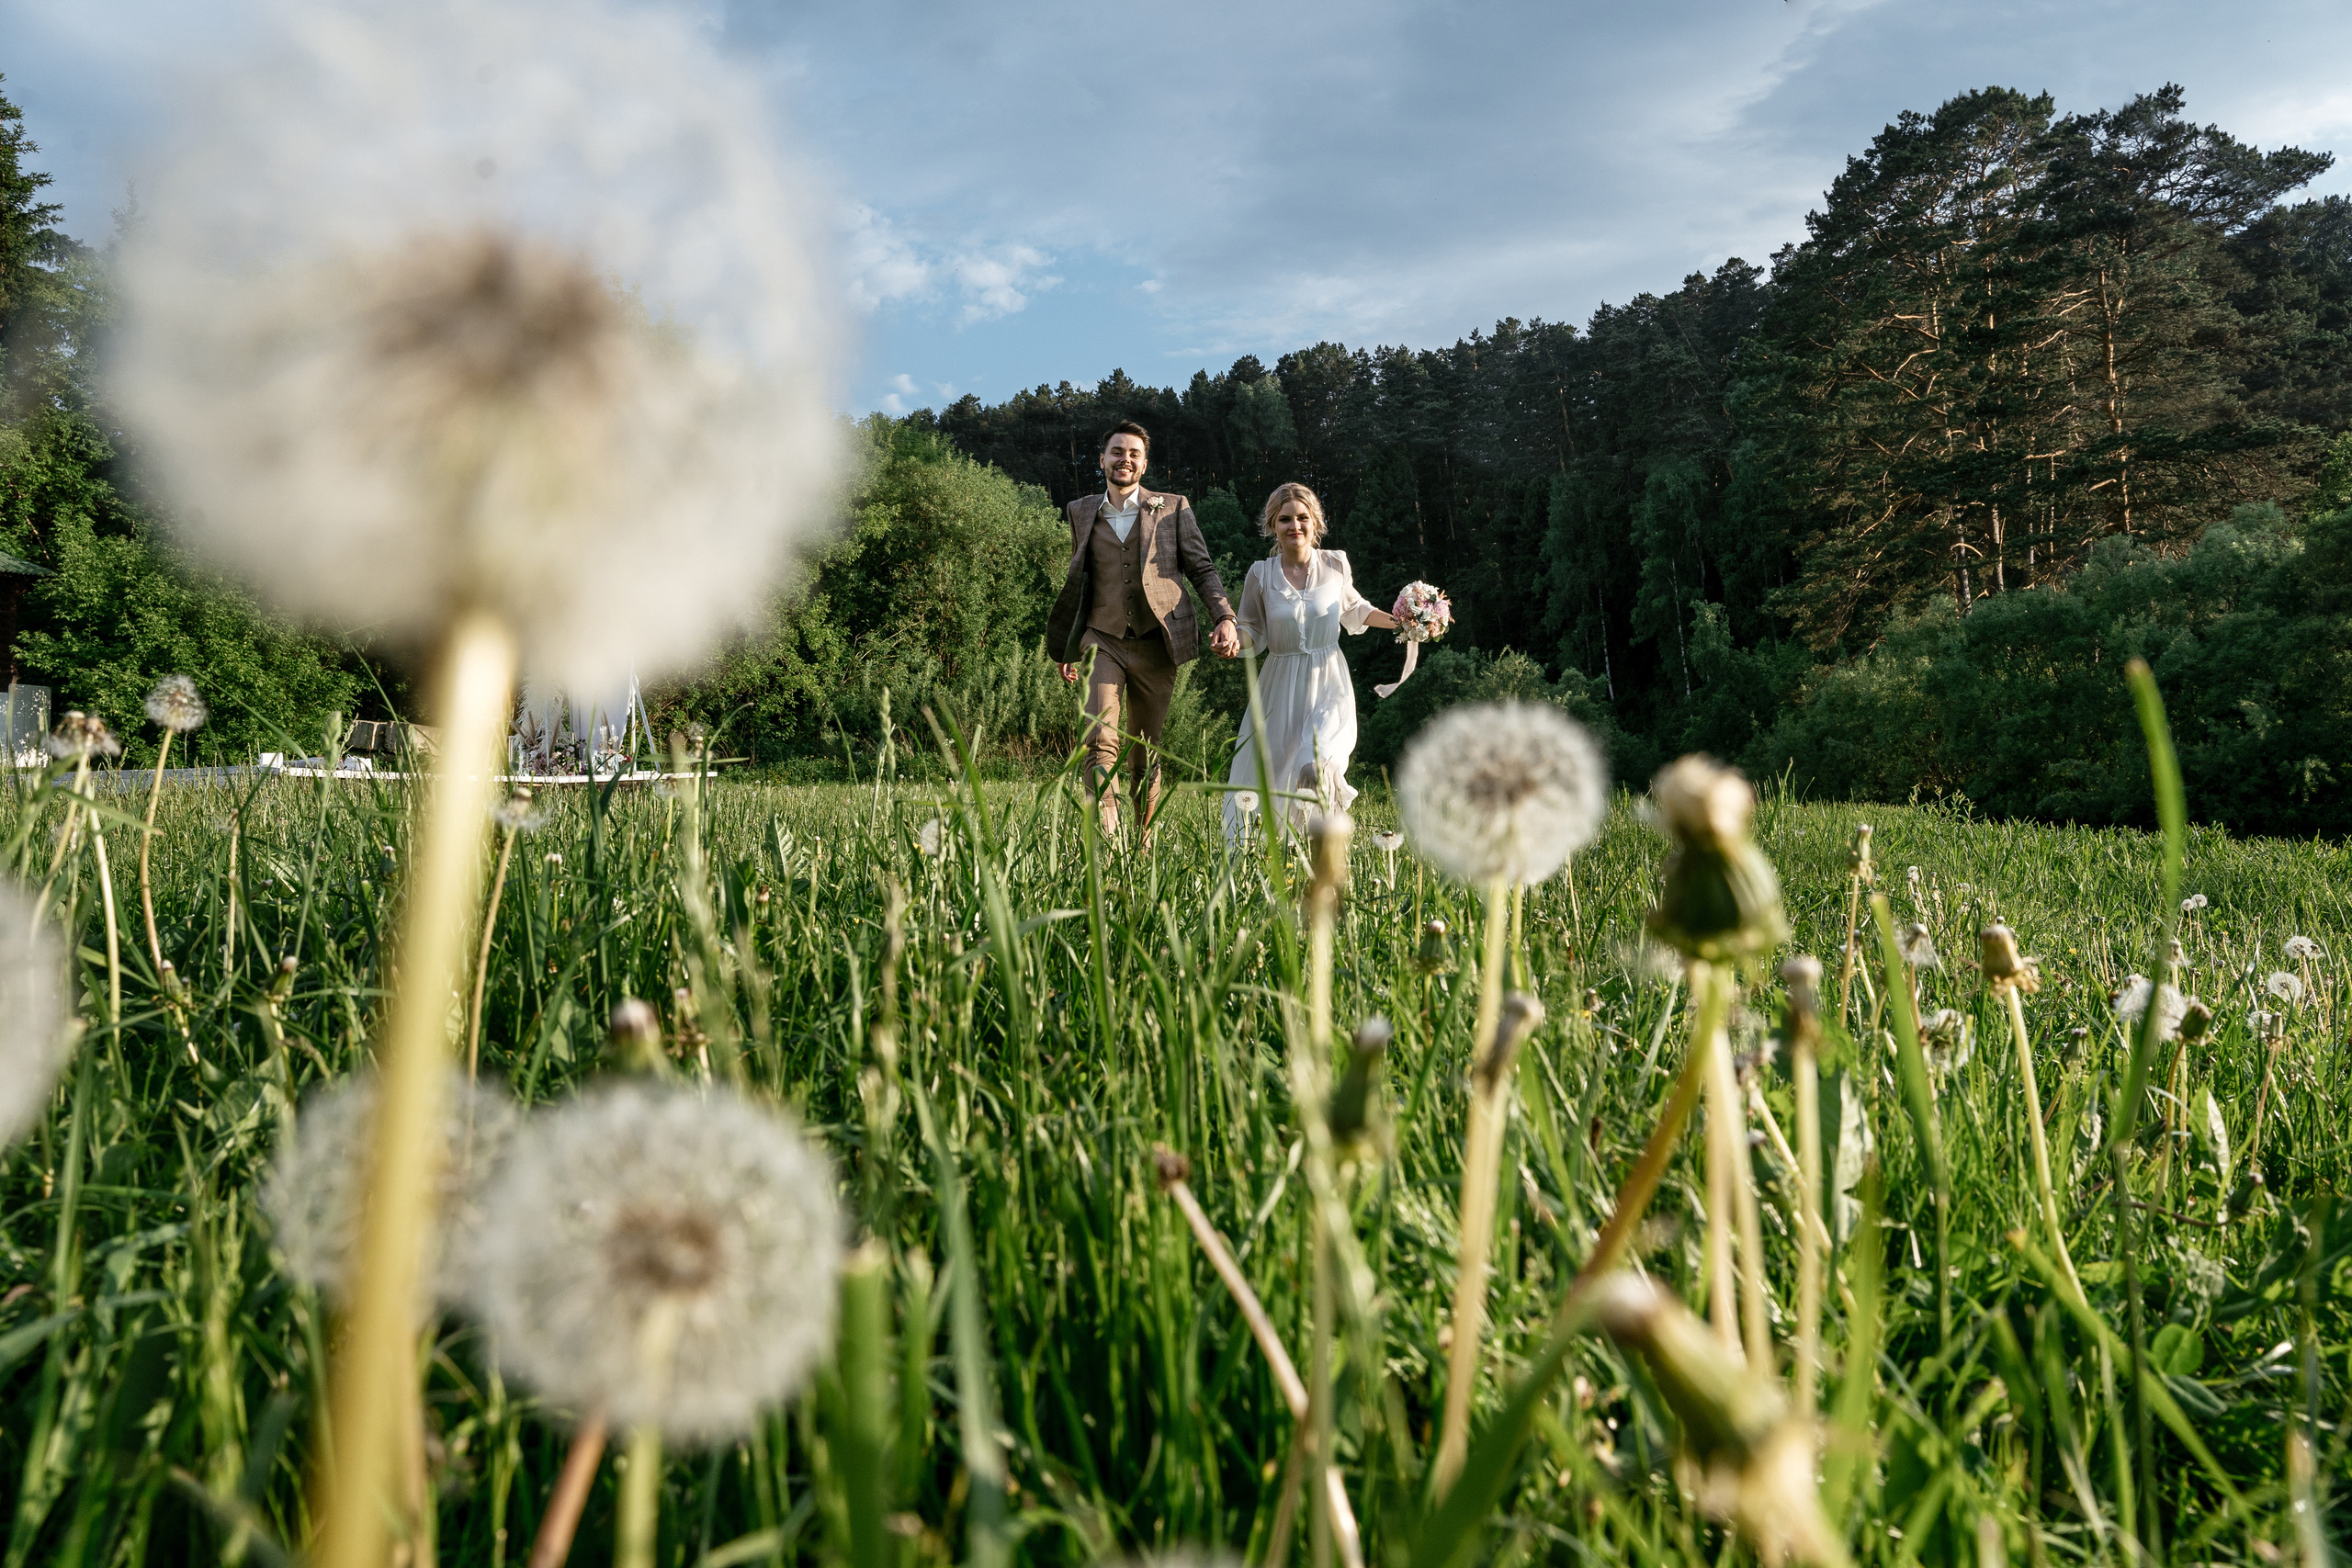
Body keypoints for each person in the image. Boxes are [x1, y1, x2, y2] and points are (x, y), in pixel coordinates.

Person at [1046, 420, 1240, 840]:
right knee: (1099, 740)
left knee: (1144, 752)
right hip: (1102, 638)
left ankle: (1144, 841)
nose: (1124, 460)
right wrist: (1067, 647)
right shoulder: (1080, 511)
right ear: (1102, 460)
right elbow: (1080, 580)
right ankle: (1108, 836)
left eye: (1133, 453)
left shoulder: (1173, 506)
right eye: (1117, 452)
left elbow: (1202, 568)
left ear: (1145, 463)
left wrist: (1224, 616)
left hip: (1158, 641)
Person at [1221, 482, 1397, 840]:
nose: (1295, 526)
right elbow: (1251, 628)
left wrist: (1402, 620)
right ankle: (1281, 852)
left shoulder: (1335, 563)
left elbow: (1354, 610)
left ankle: (1325, 850)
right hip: (1279, 684)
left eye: (1302, 518)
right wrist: (1231, 639)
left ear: (1315, 522)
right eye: (1285, 519)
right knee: (1274, 776)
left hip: (1329, 680)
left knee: (1314, 764)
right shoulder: (1260, 574)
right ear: (1273, 525)